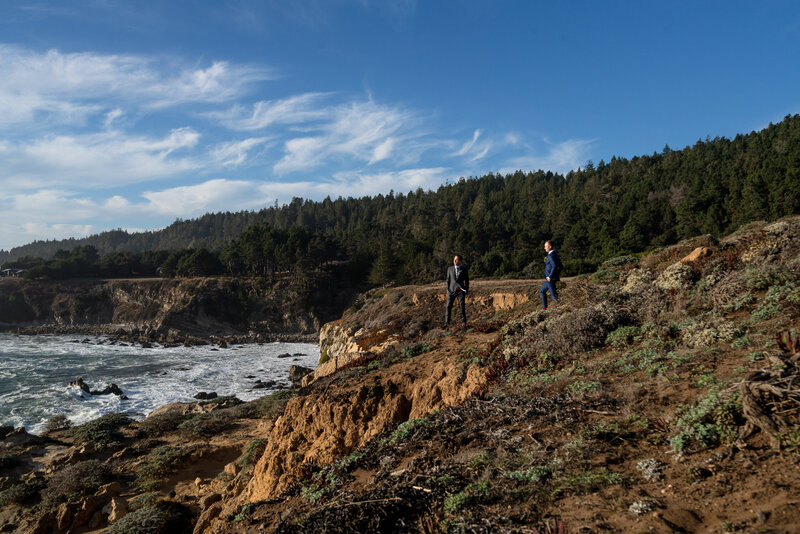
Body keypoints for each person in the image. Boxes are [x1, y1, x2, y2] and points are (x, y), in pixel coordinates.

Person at [444, 254, 469, 327]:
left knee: (462, 307)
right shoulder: (449, 269)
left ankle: (464, 322)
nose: (455, 261)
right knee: (448, 307)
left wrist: (466, 289)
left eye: (457, 259)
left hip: (461, 291)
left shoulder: (464, 269)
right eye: (454, 259)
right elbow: (448, 280)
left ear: (460, 261)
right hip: (451, 291)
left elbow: (467, 280)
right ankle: (446, 323)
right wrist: (448, 290)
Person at [539, 240, 562, 310]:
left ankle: (558, 310)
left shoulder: (551, 255)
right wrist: (556, 274)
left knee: (554, 295)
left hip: (550, 279)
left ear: (550, 246)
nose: (544, 248)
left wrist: (550, 276)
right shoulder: (555, 254)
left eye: (546, 246)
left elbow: (554, 266)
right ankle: (544, 308)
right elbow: (561, 266)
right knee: (542, 291)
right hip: (550, 279)